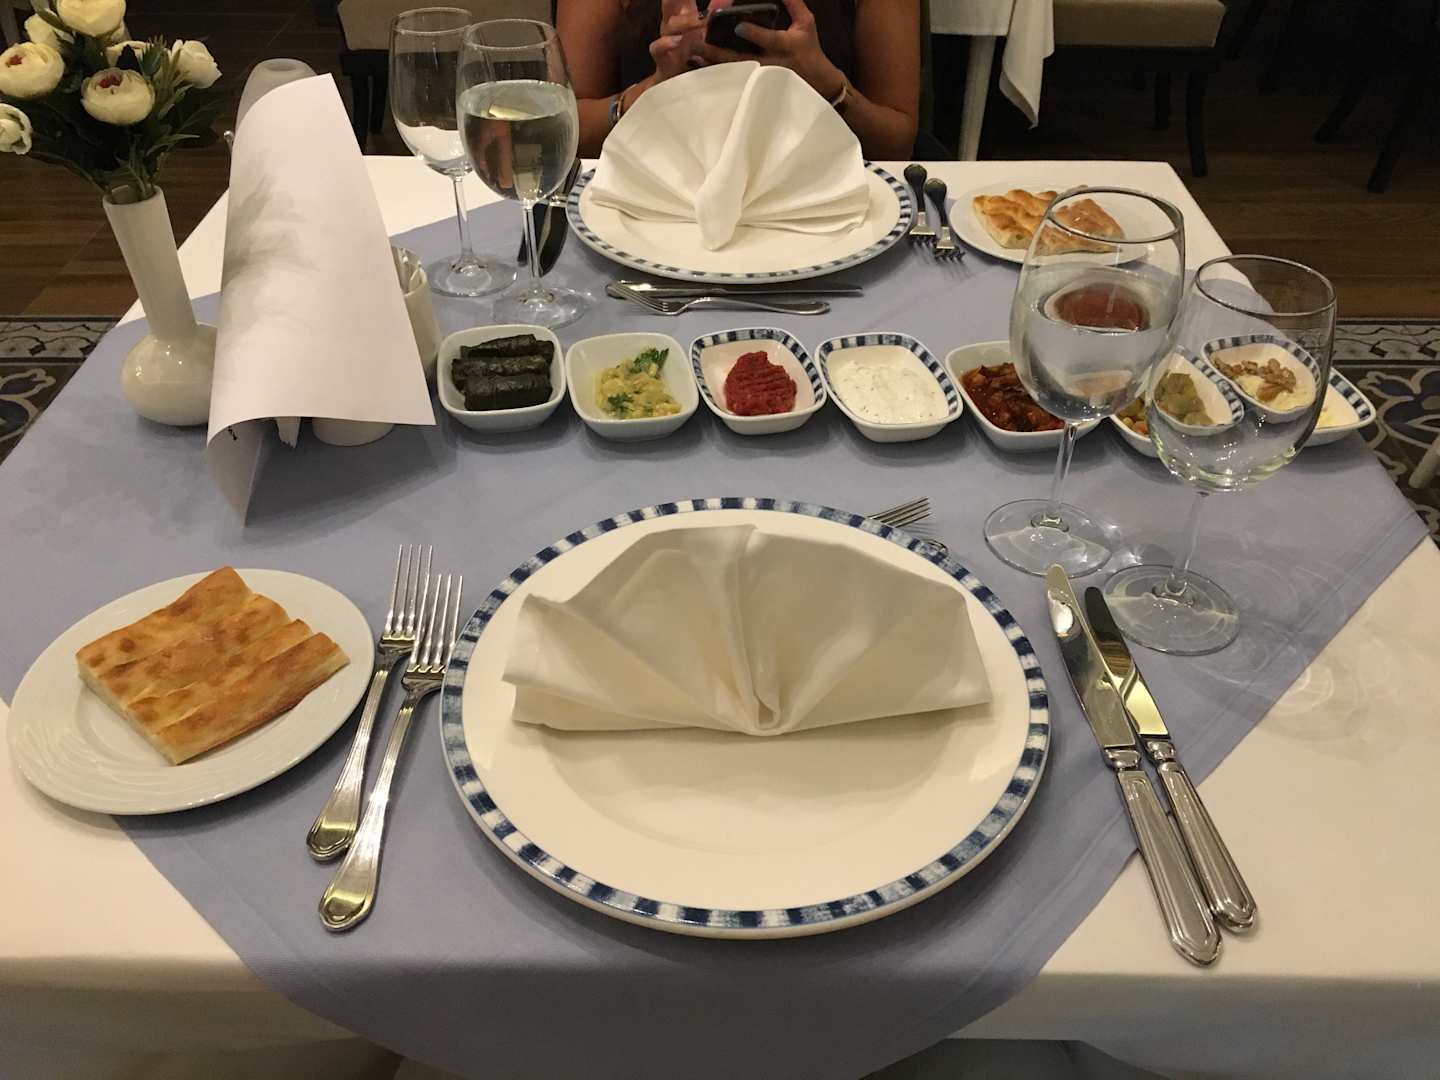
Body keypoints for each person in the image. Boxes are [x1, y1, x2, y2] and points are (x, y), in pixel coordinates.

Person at [558, 0, 920, 160]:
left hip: (824, 211)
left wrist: (828, 88)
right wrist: (651, 94)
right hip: (648, 212)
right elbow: (569, 134)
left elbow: (896, 145)